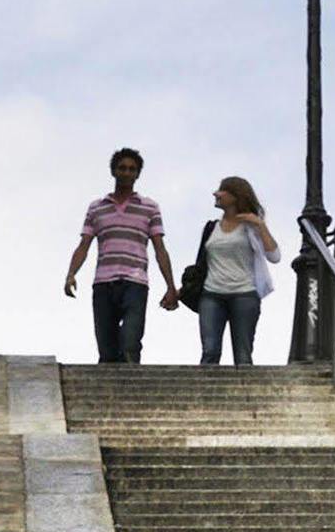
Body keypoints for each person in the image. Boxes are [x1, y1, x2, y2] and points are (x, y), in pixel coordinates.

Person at [64, 147, 177, 364]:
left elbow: (159, 248)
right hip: (103, 283)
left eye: (132, 169)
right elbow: (84, 244)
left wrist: (170, 286)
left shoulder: (149, 208)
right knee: (106, 349)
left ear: (137, 174)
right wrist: (71, 274)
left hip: (135, 282)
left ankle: (130, 389)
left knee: (130, 343)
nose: (126, 173)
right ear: (114, 171)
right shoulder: (97, 208)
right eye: (122, 168)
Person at [196, 176, 279, 367]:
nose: (216, 194)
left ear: (235, 196)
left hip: (244, 295)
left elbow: (274, 256)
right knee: (209, 351)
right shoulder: (211, 227)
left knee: (243, 356)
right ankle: (206, 395)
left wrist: (260, 225)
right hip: (211, 294)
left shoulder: (250, 227)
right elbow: (201, 262)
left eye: (222, 190)